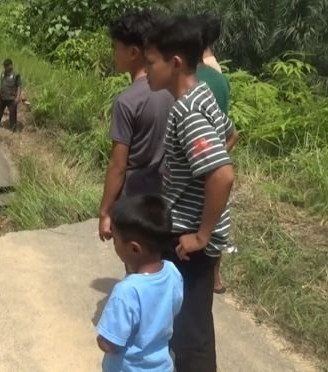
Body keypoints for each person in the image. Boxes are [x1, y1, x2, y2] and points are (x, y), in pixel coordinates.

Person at [143, 15, 236, 372]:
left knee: (190, 334)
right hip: (188, 229)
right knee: (188, 325)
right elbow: (230, 135)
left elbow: (222, 174)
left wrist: (201, 234)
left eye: (151, 63)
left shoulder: (188, 111)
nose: (147, 71)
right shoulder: (204, 94)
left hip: (189, 241)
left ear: (175, 62)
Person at [98, 9, 174, 274]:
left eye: (115, 47)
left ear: (133, 53)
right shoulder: (172, 91)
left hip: (136, 205)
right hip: (167, 202)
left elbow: (118, 166)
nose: (112, 53)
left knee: (138, 272)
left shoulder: (127, 101)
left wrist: (105, 212)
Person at [96, 194, 184, 372]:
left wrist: (101, 339)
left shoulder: (126, 291)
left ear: (134, 248)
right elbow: (175, 308)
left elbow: (110, 343)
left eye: (116, 239)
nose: (114, 244)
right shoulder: (172, 272)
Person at [193, 13, 240, 295]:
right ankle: (216, 276)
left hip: (196, 154)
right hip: (216, 152)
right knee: (217, 213)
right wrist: (220, 153)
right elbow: (227, 128)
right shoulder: (219, 78)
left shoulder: (192, 76)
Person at [0, 58, 22, 131]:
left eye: (6, 66)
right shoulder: (3, 73)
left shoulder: (16, 75)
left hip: (11, 98)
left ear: (11, 65)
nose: (5, 67)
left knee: (12, 113)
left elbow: (19, 86)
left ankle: (13, 129)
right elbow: (1, 84)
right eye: (4, 66)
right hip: (2, 97)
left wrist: (18, 97)